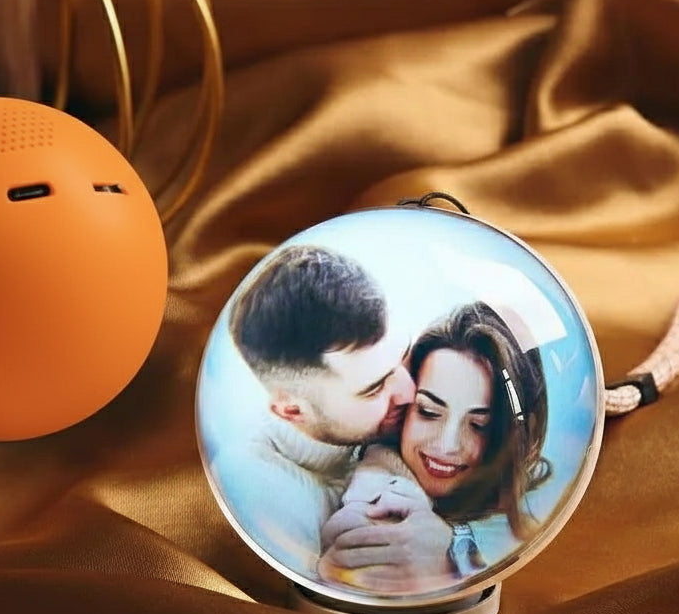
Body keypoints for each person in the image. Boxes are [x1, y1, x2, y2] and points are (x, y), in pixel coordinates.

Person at [212, 244, 423, 577]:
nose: (410, 392)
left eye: (403, 354)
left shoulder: (428, 379)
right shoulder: (253, 490)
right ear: (292, 410)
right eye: (374, 388)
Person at [318, 301, 551, 595]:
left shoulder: (539, 517)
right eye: (428, 412)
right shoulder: (358, 482)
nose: (446, 445)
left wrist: (451, 559)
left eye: (479, 425)